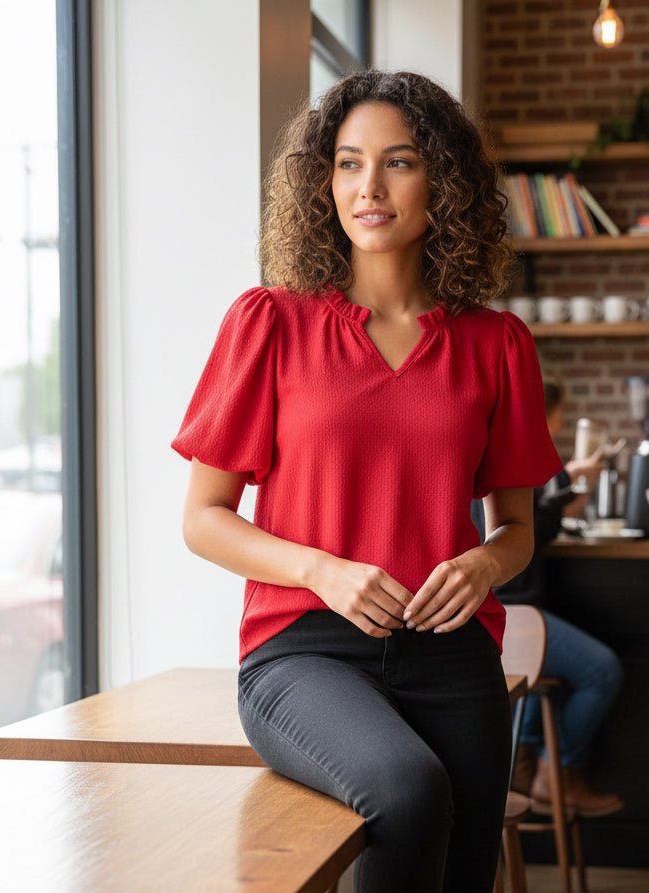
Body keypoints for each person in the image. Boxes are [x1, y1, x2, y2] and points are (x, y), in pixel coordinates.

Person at [171, 70, 562, 893]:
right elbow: (203, 518)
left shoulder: (497, 345)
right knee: (406, 787)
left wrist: (483, 564)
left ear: (443, 181)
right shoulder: (269, 323)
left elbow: (517, 530)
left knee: (463, 873)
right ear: (325, 181)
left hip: (453, 653)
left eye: (399, 161)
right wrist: (321, 569)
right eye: (348, 163)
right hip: (302, 652)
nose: (369, 187)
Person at [472, 377, 624, 817]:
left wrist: (562, 493)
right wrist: (564, 494)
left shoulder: (507, 450)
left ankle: (530, 767)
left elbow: (528, 526)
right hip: (507, 609)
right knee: (601, 671)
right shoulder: (503, 447)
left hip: (507, 607)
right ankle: (554, 775)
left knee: (548, 683)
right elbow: (517, 531)